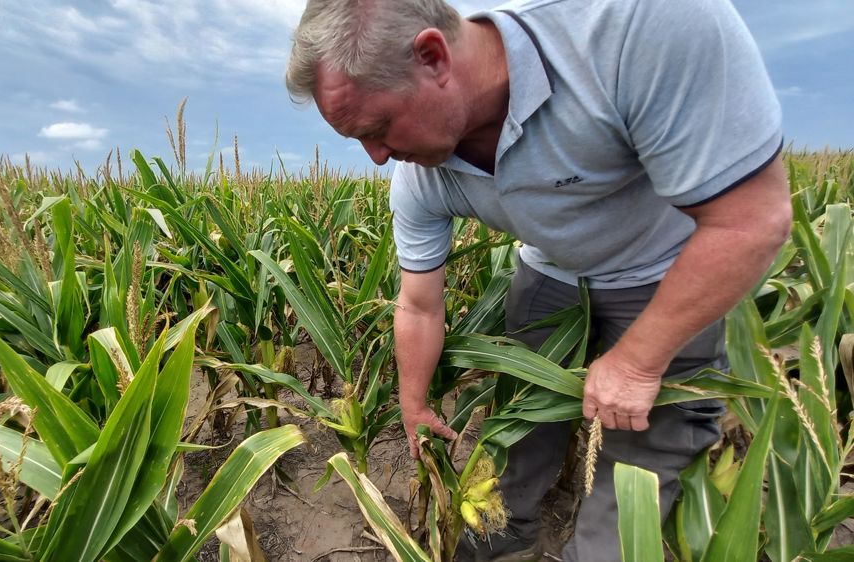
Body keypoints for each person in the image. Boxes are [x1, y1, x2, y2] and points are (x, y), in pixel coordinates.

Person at [285, 0, 792, 560]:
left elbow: (751, 221)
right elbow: (419, 305)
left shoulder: (638, 27)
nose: (377, 158)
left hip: (668, 278)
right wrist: (413, 403)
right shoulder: (420, 178)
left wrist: (637, 362)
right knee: (513, 453)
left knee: (634, 478)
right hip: (549, 277)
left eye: (378, 128)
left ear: (433, 56)